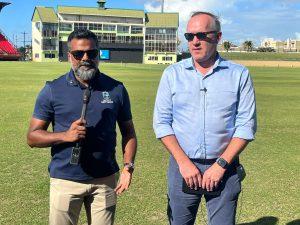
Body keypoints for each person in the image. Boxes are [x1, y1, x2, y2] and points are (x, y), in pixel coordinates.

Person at [153, 11, 256, 225]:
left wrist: (220, 165)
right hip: (182, 167)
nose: (195, 41)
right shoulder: (172, 74)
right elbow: (162, 122)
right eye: (190, 36)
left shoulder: (238, 74)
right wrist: (184, 163)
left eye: (202, 35)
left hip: (224, 167)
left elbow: (246, 125)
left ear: (218, 37)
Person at [27, 29, 137, 225]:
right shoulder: (52, 89)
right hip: (65, 181)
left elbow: (128, 132)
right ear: (69, 56)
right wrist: (65, 136)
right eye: (78, 54)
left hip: (104, 181)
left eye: (91, 53)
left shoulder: (116, 89)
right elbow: (32, 137)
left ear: (98, 54)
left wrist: (128, 167)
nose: (85, 58)